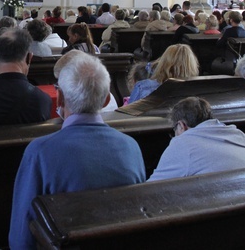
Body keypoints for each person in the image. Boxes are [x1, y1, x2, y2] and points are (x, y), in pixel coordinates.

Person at [8, 53, 145, 248]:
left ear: (60, 98)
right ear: (106, 99)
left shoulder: (40, 151)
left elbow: (21, 238)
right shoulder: (131, 146)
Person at [148, 97, 245, 181]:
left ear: (181, 126)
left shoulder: (183, 144)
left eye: (174, 130)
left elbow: (150, 189)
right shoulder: (235, 135)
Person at [128, 44, 200, 103]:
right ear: (192, 65)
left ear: (163, 62)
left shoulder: (143, 87)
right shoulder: (199, 91)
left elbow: (128, 115)